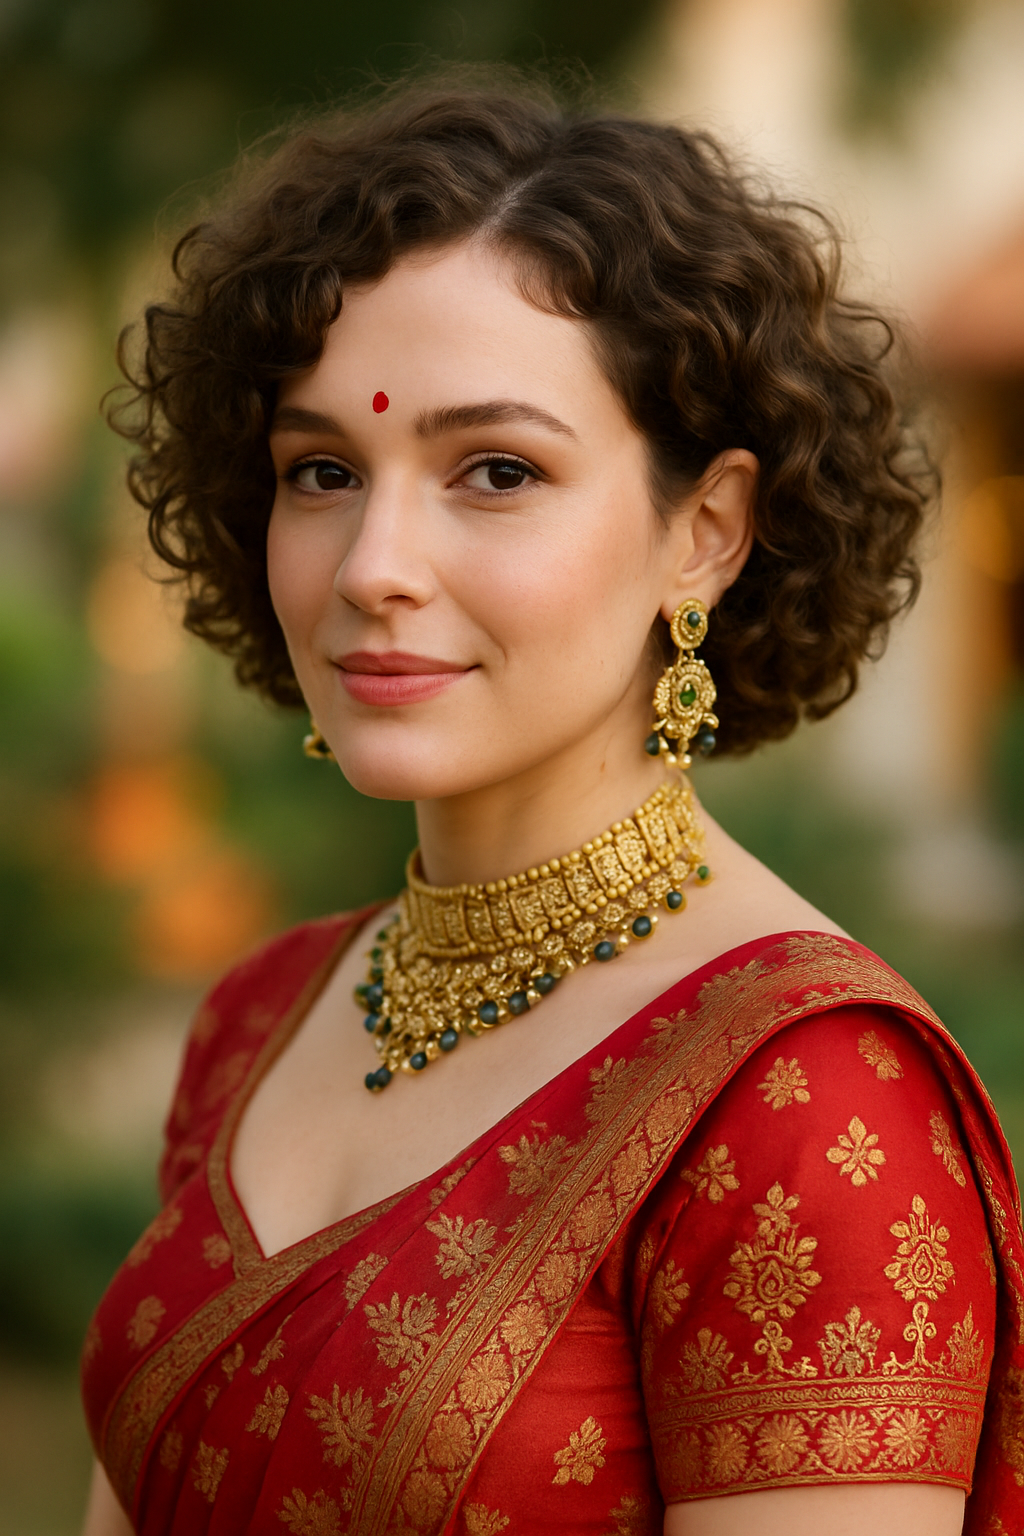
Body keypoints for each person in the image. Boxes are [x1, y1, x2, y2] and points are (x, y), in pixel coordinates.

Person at [80, 75, 1024, 1536]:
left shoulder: (808, 1097)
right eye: (322, 471)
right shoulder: (258, 1020)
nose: (373, 565)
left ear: (705, 531)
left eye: (497, 471)